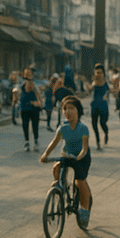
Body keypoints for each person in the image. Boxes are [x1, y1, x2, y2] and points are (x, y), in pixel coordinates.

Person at [40, 96, 92, 226]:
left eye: (71, 108)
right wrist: (45, 154)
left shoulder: (83, 128)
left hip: (81, 157)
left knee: (79, 181)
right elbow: (54, 143)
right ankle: (59, 186)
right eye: (65, 109)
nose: (68, 111)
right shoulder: (62, 128)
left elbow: (85, 148)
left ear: (78, 111)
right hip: (67, 155)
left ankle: (85, 211)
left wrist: (78, 157)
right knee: (56, 167)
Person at [13, 67, 44, 151]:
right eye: (25, 73)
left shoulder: (34, 84)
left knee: (35, 125)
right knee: (25, 125)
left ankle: (36, 141)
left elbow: (38, 95)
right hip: (24, 108)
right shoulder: (20, 83)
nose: (26, 74)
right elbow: (16, 91)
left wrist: (39, 102)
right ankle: (27, 142)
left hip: (34, 108)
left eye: (28, 73)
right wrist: (14, 97)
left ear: (31, 75)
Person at [89, 64, 110, 150]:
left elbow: (108, 91)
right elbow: (89, 91)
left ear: (103, 73)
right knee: (94, 124)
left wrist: (106, 96)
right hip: (94, 106)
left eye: (100, 72)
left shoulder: (105, 83)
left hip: (103, 107)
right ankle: (98, 141)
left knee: (102, 123)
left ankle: (106, 133)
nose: (98, 74)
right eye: (97, 72)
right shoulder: (93, 82)